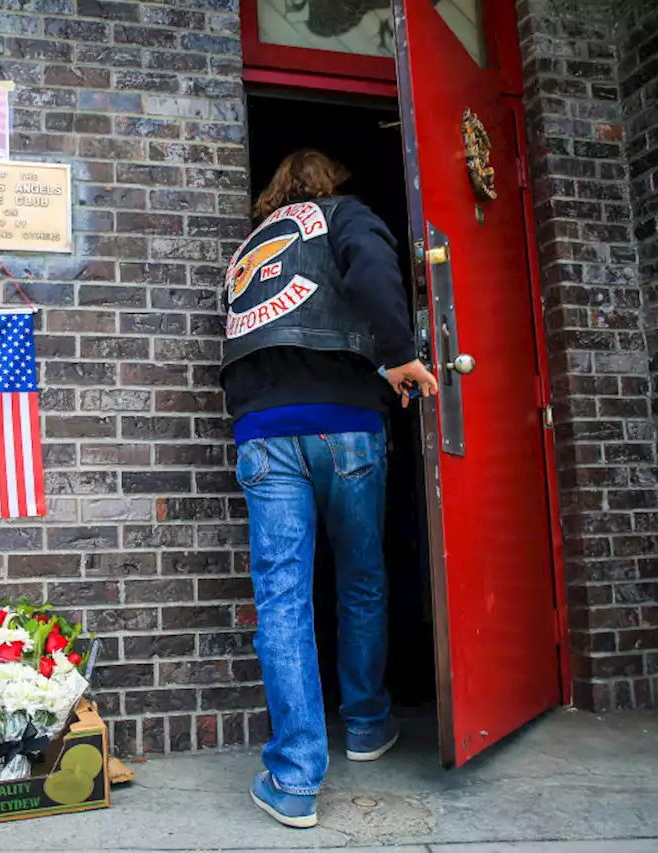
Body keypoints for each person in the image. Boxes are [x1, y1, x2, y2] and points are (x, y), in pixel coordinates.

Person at [220, 149, 439, 829]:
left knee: (282, 600)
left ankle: (293, 778)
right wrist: (402, 352)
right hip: (346, 423)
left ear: (275, 194)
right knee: (362, 578)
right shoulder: (345, 216)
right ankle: (369, 725)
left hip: (264, 431)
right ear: (332, 183)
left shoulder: (246, 255)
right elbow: (373, 271)